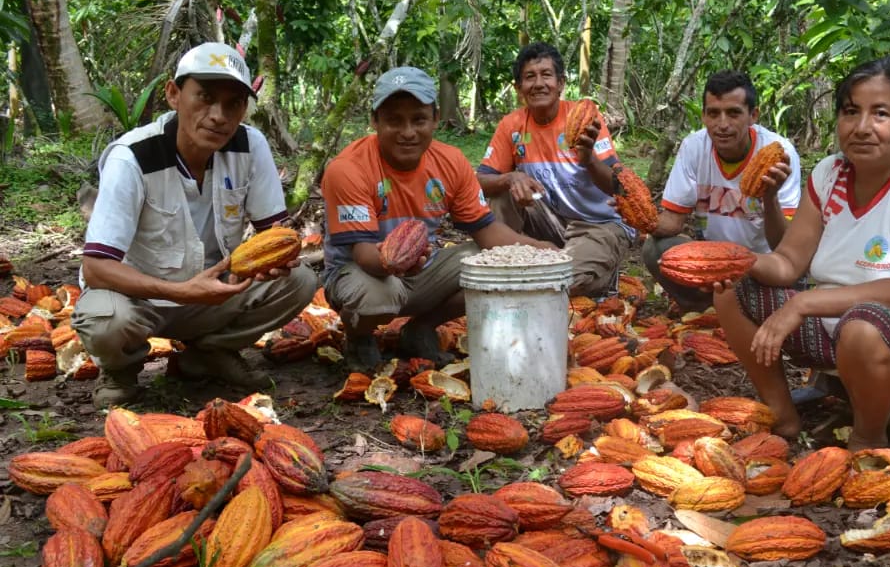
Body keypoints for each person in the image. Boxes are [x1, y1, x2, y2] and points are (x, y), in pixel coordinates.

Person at [713, 56, 890, 452]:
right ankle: (783, 417)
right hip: (837, 329)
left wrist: (804, 303)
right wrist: (734, 260)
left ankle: (867, 440)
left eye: (881, 114)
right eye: (851, 111)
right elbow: (788, 262)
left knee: (862, 326)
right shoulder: (830, 173)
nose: (861, 128)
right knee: (730, 287)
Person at [71, 42, 317, 409]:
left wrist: (274, 259)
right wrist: (181, 291)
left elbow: (274, 234)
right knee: (104, 317)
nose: (218, 115)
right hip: (139, 299)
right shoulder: (133, 157)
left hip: (214, 292)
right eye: (204, 96)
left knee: (299, 282)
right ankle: (121, 371)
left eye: (233, 103)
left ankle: (208, 354)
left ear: (244, 109)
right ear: (173, 94)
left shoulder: (250, 146)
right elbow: (95, 268)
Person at [320, 66, 552, 373]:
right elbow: (364, 255)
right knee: (381, 295)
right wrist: (402, 261)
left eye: (418, 119)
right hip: (362, 274)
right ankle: (358, 336)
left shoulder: (451, 162)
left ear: (435, 119)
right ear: (374, 121)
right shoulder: (348, 168)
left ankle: (419, 330)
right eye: (393, 120)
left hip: (419, 269)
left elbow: (487, 231)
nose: (407, 132)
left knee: (494, 263)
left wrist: (540, 250)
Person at [477, 42, 632, 298]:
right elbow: (479, 182)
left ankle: (591, 268)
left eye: (546, 75)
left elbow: (618, 186)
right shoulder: (512, 125)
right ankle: (514, 259)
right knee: (500, 192)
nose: (539, 84)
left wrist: (589, 160)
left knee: (561, 281)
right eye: (530, 77)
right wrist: (511, 177)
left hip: (598, 224)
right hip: (549, 220)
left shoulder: (583, 116)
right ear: (519, 89)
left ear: (560, 83)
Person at [643, 70, 801, 311]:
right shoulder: (694, 147)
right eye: (713, 113)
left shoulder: (779, 153)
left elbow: (783, 244)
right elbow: (672, 223)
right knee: (655, 248)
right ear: (704, 116)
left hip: (761, 266)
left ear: (753, 115)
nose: (723, 124)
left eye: (734, 113)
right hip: (713, 263)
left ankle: (744, 308)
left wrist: (769, 198)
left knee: (787, 278)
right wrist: (634, 210)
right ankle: (702, 307)